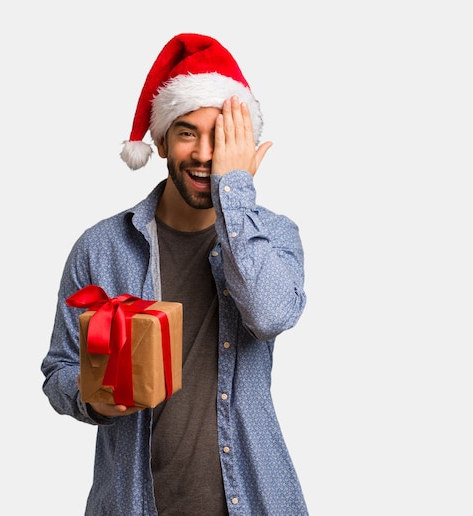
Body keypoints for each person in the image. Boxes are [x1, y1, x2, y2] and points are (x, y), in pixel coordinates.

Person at [41, 33, 309, 515]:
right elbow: (59, 368)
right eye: (187, 133)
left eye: (222, 137)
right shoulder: (101, 248)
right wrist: (95, 397)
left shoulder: (274, 236)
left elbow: (269, 314)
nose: (206, 154)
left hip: (252, 499)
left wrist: (235, 191)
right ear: (162, 140)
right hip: (132, 503)